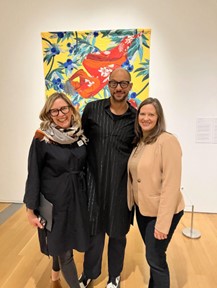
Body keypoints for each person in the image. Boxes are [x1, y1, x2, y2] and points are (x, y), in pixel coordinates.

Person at [23, 92, 90, 288]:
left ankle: (55, 273)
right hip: (54, 203)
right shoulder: (42, 138)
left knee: (67, 240)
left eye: (63, 108)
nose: (60, 114)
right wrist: (30, 210)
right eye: (54, 111)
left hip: (78, 198)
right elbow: (33, 174)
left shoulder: (80, 135)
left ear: (71, 109)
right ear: (48, 114)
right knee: (63, 248)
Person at [79, 68, 136, 288]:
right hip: (93, 183)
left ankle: (114, 275)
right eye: (114, 83)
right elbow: (80, 140)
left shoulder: (135, 118)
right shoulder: (92, 110)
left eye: (123, 84)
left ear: (130, 86)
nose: (119, 88)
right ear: (108, 84)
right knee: (94, 233)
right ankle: (89, 272)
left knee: (118, 234)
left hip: (120, 184)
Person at [127, 97, 185, 288]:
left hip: (162, 211)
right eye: (142, 114)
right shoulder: (140, 142)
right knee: (154, 256)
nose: (145, 118)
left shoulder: (167, 141)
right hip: (144, 210)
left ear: (158, 117)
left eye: (151, 114)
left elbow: (171, 185)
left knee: (156, 259)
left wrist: (162, 224)